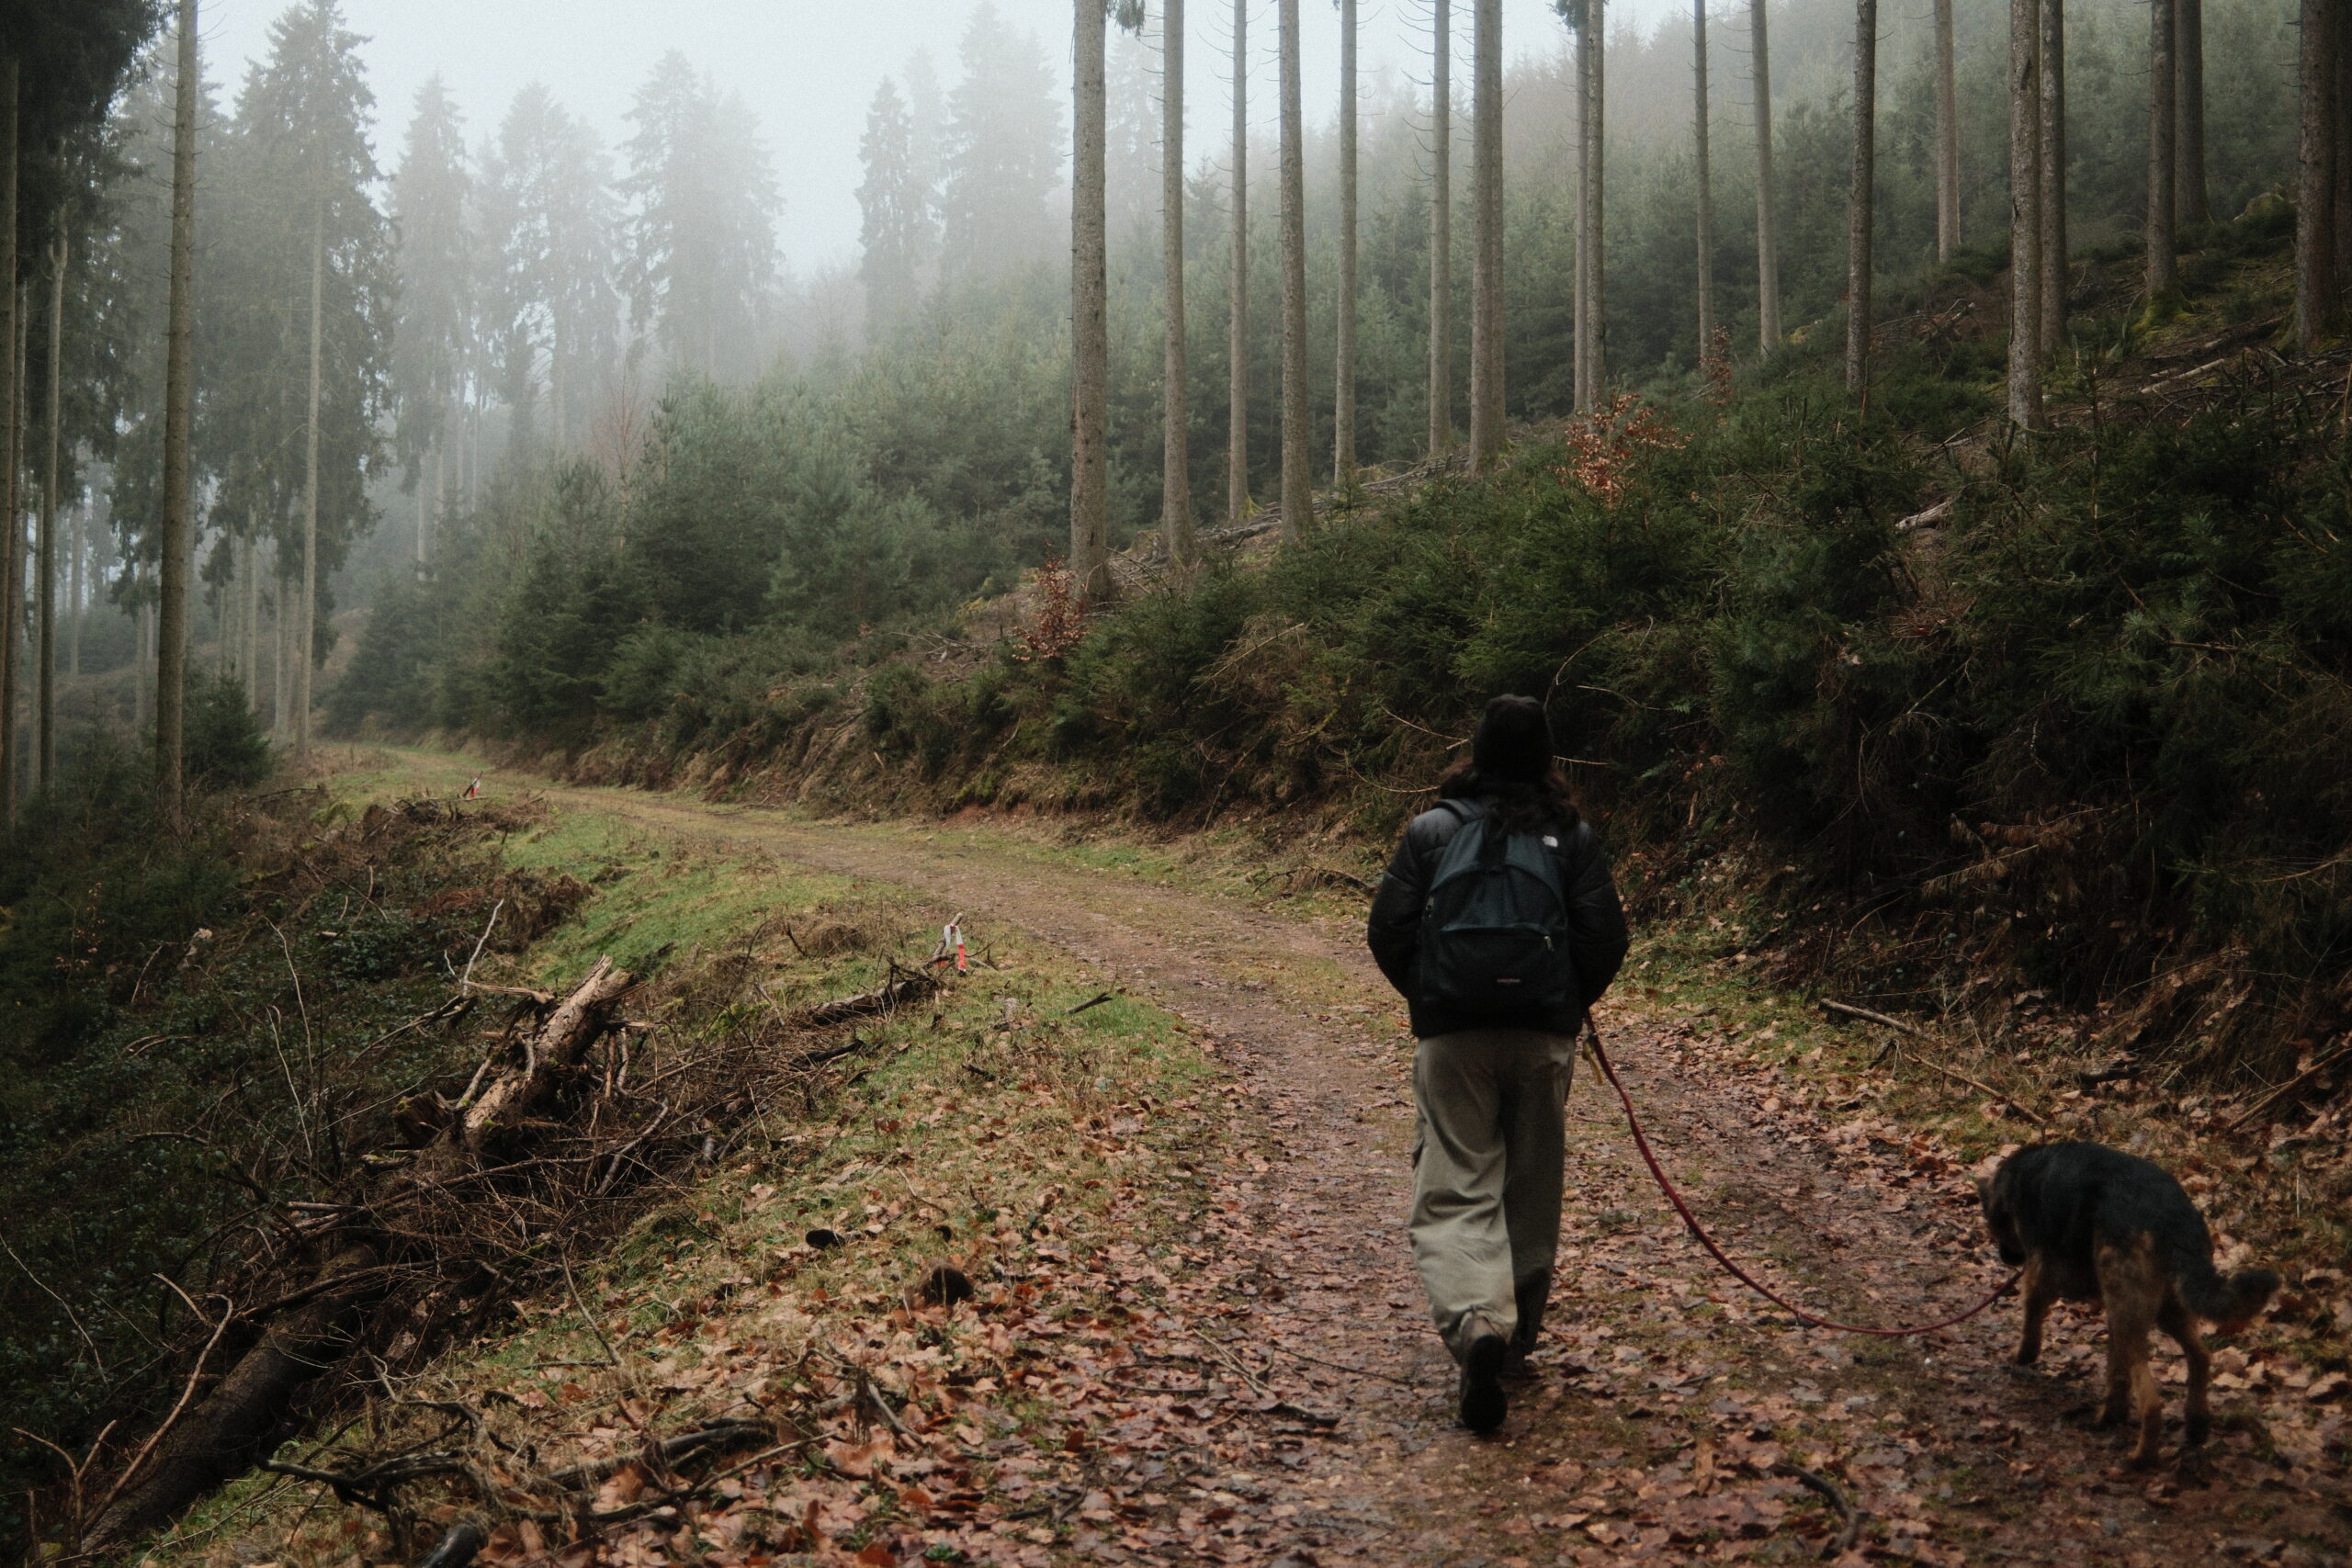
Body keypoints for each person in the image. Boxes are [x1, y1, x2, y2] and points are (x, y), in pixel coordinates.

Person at [1366, 694, 1629, 1434]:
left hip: (1453, 1037)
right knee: (1530, 1184)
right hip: (1542, 1037)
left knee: (1455, 1183)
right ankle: (1514, 1347)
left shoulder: (1432, 831)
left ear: (1475, 751)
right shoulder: (1571, 835)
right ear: (1547, 757)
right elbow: (1605, 936)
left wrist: (1434, 996)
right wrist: (1563, 1002)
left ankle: (1478, 1320)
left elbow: (1386, 930)